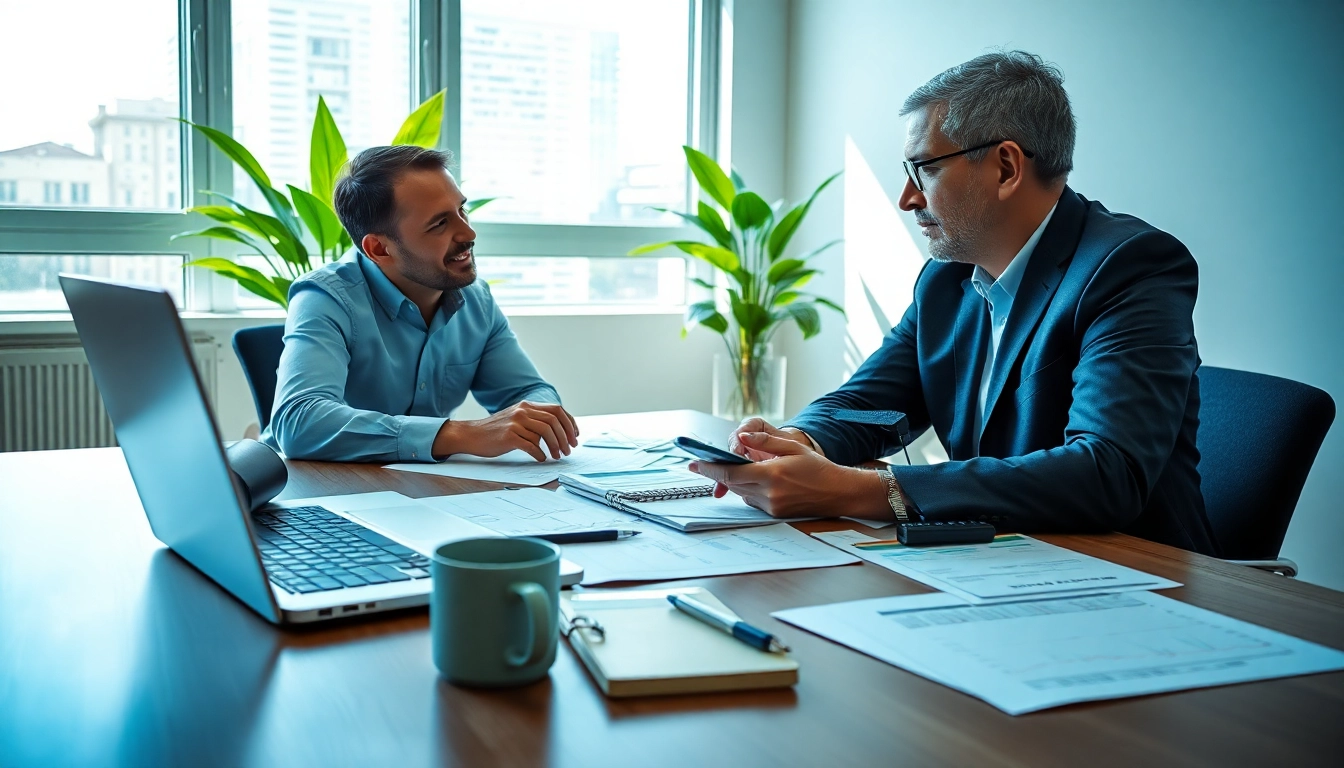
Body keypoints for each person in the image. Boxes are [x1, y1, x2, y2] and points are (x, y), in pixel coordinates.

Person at [689, 51, 1218, 555]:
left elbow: (1107, 473)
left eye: (925, 170)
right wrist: (794, 442)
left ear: (1007, 168)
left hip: (1134, 581)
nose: (907, 198)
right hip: (1000, 563)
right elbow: (873, 402)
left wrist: (862, 490)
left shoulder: (1130, 267)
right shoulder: (946, 280)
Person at [264, 145, 578, 463]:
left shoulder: (475, 300)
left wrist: (538, 416)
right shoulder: (325, 297)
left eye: (461, 211)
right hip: (315, 489)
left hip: (421, 490)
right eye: (439, 224)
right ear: (379, 249)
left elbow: (524, 393)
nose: (468, 233)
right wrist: (460, 434)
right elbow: (299, 423)